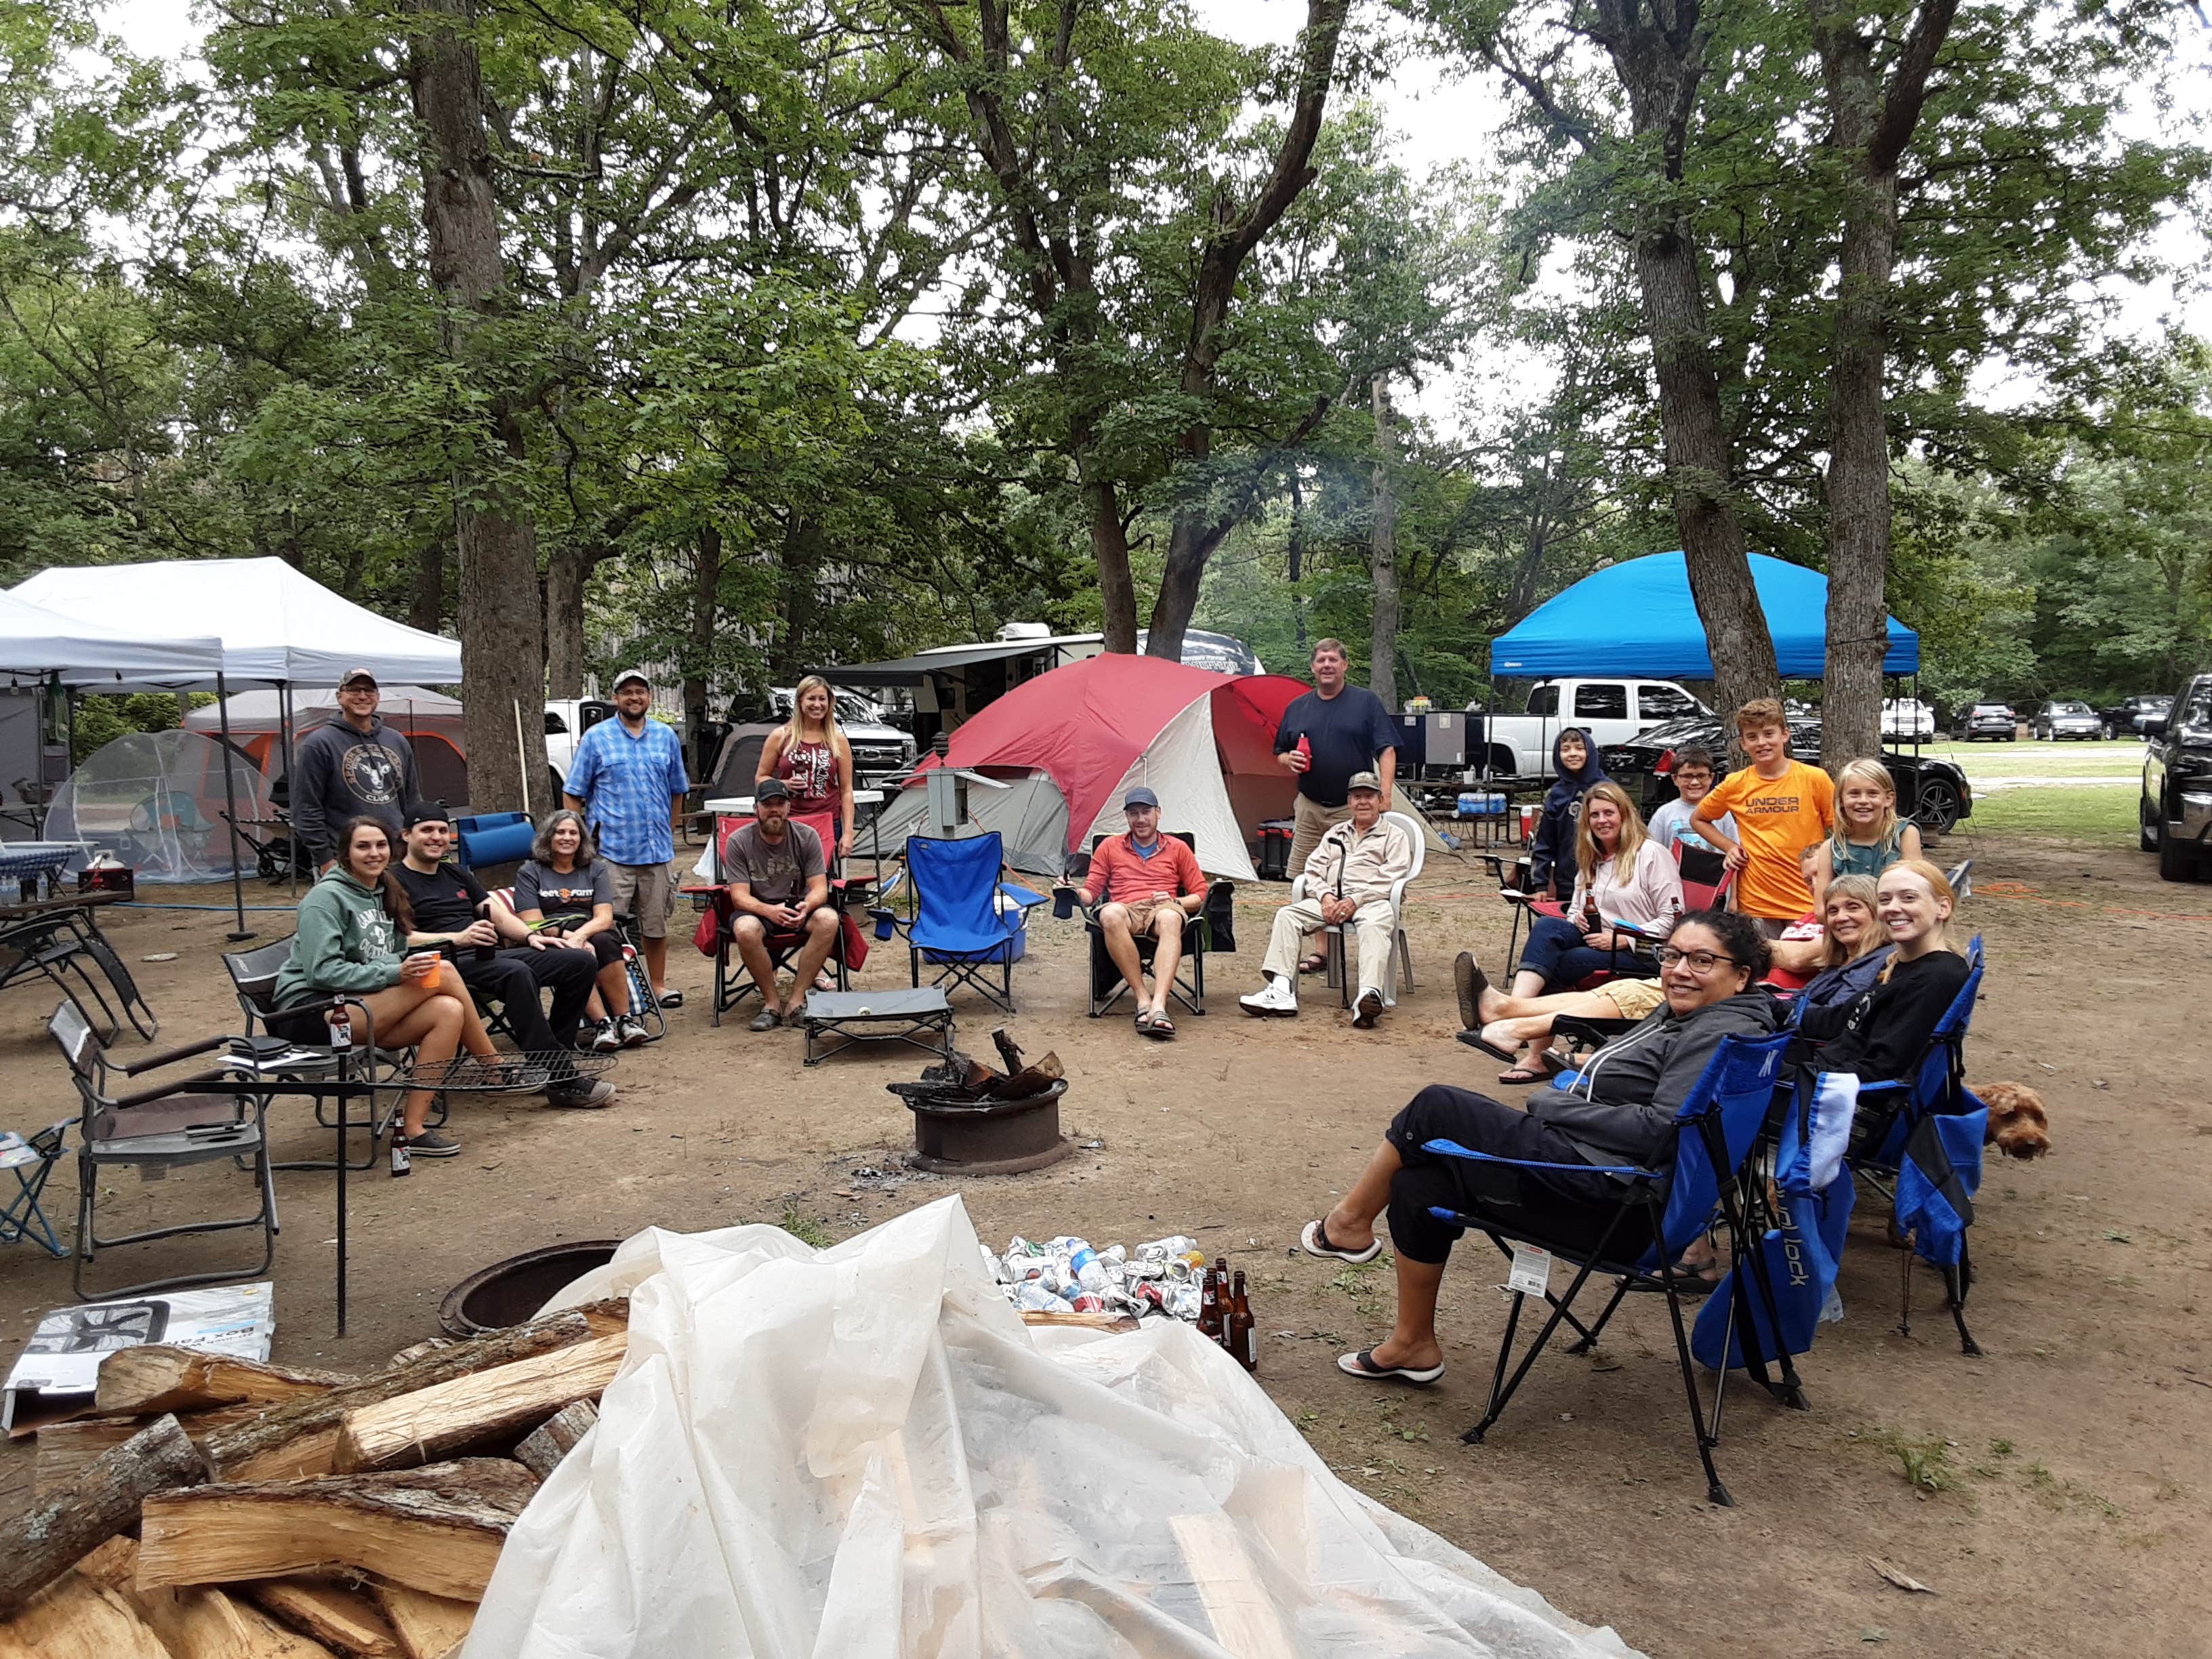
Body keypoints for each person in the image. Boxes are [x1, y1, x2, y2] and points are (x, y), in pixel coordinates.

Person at [1296, 911, 1780, 1383]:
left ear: (1740, 976)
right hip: (1618, 1187)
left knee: (1437, 1108)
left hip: (1617, 1205)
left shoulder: (1716, 1031)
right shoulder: (1701, 1017)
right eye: (1672, 955)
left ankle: (1348, 1225)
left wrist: (1552, 1103)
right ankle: (1413, 1345)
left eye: (1701, 961)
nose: (1679, 971)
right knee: (1421, 1183)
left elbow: (1660, 1129)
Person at [270, 817, 519, 1158]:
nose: (374, 853)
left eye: (380, 845)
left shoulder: (384, 889)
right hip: (312, 1010)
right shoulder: (325, 899)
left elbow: (396, 949)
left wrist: (399, 967)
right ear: (345, 853)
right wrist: (394, 974)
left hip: (362, 1001)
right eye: (363, 846)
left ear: (391, 849)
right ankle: (493, 1067)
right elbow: (321, 972)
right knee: (442, 970)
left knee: (449, 1010)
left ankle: (413, 1129)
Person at [388, 806, 617, 1107]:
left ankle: (548, 1057)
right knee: (515, 972)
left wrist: (531, 936)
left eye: (442, 831)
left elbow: (495, 912)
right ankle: (561, 1076)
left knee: (578, 960)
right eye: (427, 830)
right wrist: (458, 937)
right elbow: (398, 938)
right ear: (407, 835)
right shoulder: (392, 879)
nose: (436, 837)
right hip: (439, 964)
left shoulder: (455, 872)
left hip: (485, 956)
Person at [1481, 782, 1683, 1083]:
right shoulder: (1592, 858)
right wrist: (1578, 921)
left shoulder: (1651, 855)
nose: (1602, 821)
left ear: (1625, 815)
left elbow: (1673, 918)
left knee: (1564, 962)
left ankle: (1529, 1042)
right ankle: (1515, 1010)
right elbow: (1575, 909)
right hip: (1599, 941)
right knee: (1549, 926)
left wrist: (1625, 938)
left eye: (1609, 813)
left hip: (1645, 951)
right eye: (1595, 815)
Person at [1239, 772, 1414, 1028]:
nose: (1363, 802)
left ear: (1380, 800)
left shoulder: (1394, 836)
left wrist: (1355, 899)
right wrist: (1325, 896)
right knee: (1287, 915)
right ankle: (1281, 990)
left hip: (1372, 901)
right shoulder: (1336, 833)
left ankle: (1367, 996)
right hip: (1332, 899)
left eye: (1368, 796)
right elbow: (1312, 870)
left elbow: (1393, 875)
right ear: (1349, 802)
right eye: (1356, 797)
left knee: (1377, 925)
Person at [563, 668, 691, 1008]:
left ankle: (659, 985)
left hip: (656, 849)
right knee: (608, 928)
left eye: (641, 691)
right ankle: (617, 992)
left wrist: (672, 827)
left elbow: (678, 789)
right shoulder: (596, 738)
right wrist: (580, 839)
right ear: (616, 698)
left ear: (648, 697)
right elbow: (573, 792)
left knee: (656, 923)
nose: (634, 697)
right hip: (611, 852)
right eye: (627, 692)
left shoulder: (665, 737)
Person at [1273, 639, 1399, 971]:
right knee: (1306, 876)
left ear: (1345, 665)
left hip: (1352, 810)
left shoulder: (1365, 702)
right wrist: (1290, 759)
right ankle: (1321, 950)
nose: (1326, 665)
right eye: (1320, 660)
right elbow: (1279, 753)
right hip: (1310, 806)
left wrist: (1385, 793)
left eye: (1333, 659)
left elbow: (1386, 748)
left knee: (1354, 876)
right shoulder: (1297, 707)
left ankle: (1365, 942)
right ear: (1313, 667)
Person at [1801, 860, 1969, 1084]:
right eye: (1885, 900)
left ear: (1943, 907)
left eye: (1909, 898)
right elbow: (1840, 1018)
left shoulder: (1936, 978)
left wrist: (1802, 1074)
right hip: (1829, 1063)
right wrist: (1769, 1006)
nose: (1893, 908)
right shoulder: (1899, 964)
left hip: (1836, 1088)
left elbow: (1885, 1068)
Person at [1066, 786, 1208, 1039]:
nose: (1140, 819)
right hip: (1126, 910)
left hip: (1162, 907)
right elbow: (1091, 892)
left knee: (1170, 917)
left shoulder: (1178, 848)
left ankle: (1159, 1006)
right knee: (1109, 914)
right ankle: (1143, 1000)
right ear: (1127, 817)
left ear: (1158, 813)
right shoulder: (1109, 847)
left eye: (1146, 812)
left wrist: (1175, 900)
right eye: (1134, 813)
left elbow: (1201, 894)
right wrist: (1073, 891)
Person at [1690, 699, 1835, 937]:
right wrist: (1730, 847)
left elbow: (1840, 830)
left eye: (1769, 734)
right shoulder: (1735, 784)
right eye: (1753, 737)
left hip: (1806, 898)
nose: (1762, 743)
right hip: (1757, 900)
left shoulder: (1814, 779)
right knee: (1761, 966)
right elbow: (1699, 819)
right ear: (1743, 744)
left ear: (1784, 735)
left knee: (1803, 966)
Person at [513, 808, 645, 1053]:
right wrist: (571, 940)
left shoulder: (595, 869)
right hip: (551, 935)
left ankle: (625, 1021)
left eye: (573, 833)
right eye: (560, 832)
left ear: (582, 839)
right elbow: (533, 922)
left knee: (606, 942)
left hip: (590, 929)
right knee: (579, 957)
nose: (567, 838)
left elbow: (604, 916)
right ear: (548, 838)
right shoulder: (530, 872)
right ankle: (603, 1025)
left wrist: (581, 936)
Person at [720, 777, 838, 1031]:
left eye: (780, 804)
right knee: (745, 928)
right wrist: (769, 911)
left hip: (799, 907)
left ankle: (796, 1002)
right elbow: (739, 897)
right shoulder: (739, 841)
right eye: (768, 804)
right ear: (756, 809)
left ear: (788, 808)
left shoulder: (807, 837)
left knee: (828, 920)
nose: (774, 809)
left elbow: (819, 889)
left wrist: (806, 906)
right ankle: (771, 1004)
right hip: (758, 908)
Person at [291, 668, 419, 872]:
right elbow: (306, 807)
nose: (362, 696)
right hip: (345, 859)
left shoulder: (397, 741)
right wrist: (324, 858)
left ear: (377, 697)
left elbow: (412, 800)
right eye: (354, 690)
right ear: (340, 696)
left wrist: (412, 846)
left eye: (369, 690)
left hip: (395, 857)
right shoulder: (319, 744)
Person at [756, 674, 857, 861]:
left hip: (828, 820)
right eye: (811, 698)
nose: (817, 705)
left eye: (822, 699)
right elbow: (761, 779)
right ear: (800, 701)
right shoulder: (780, 736)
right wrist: (783, 785)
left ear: (830, 703)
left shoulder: (838, 740)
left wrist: (848, 832)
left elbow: (847, 790)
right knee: (787, 877)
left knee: (822, 878)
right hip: (789, 819)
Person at [1809, 758, 1921, 907]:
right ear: (1841, 800)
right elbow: (1821, 910)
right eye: (1854, 794)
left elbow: (1917, 892)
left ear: (1888, 799)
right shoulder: (1831, 849)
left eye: (1873, 794)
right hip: (1848, 926)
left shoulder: (1905, 835)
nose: (1863, 800)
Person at [1526, 727, 1608, 901]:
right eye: (1565, 749)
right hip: (1567, 883)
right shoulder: (1556, 795)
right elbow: (1544, 842)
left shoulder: (1608, 789)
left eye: (1579, 748)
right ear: (1558, 754)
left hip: (1607, 879)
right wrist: (1541, 884)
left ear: (1590, 752)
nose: (1572, 754)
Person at [1645, 745, 1735, 856]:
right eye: (1687, 776)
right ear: (1675, 779)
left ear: (1711, 778)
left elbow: (1734, 849)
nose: (1695, 782)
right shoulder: (1663, 814)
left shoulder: (1722, 813)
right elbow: (1652, 854)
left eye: (1701, 776)